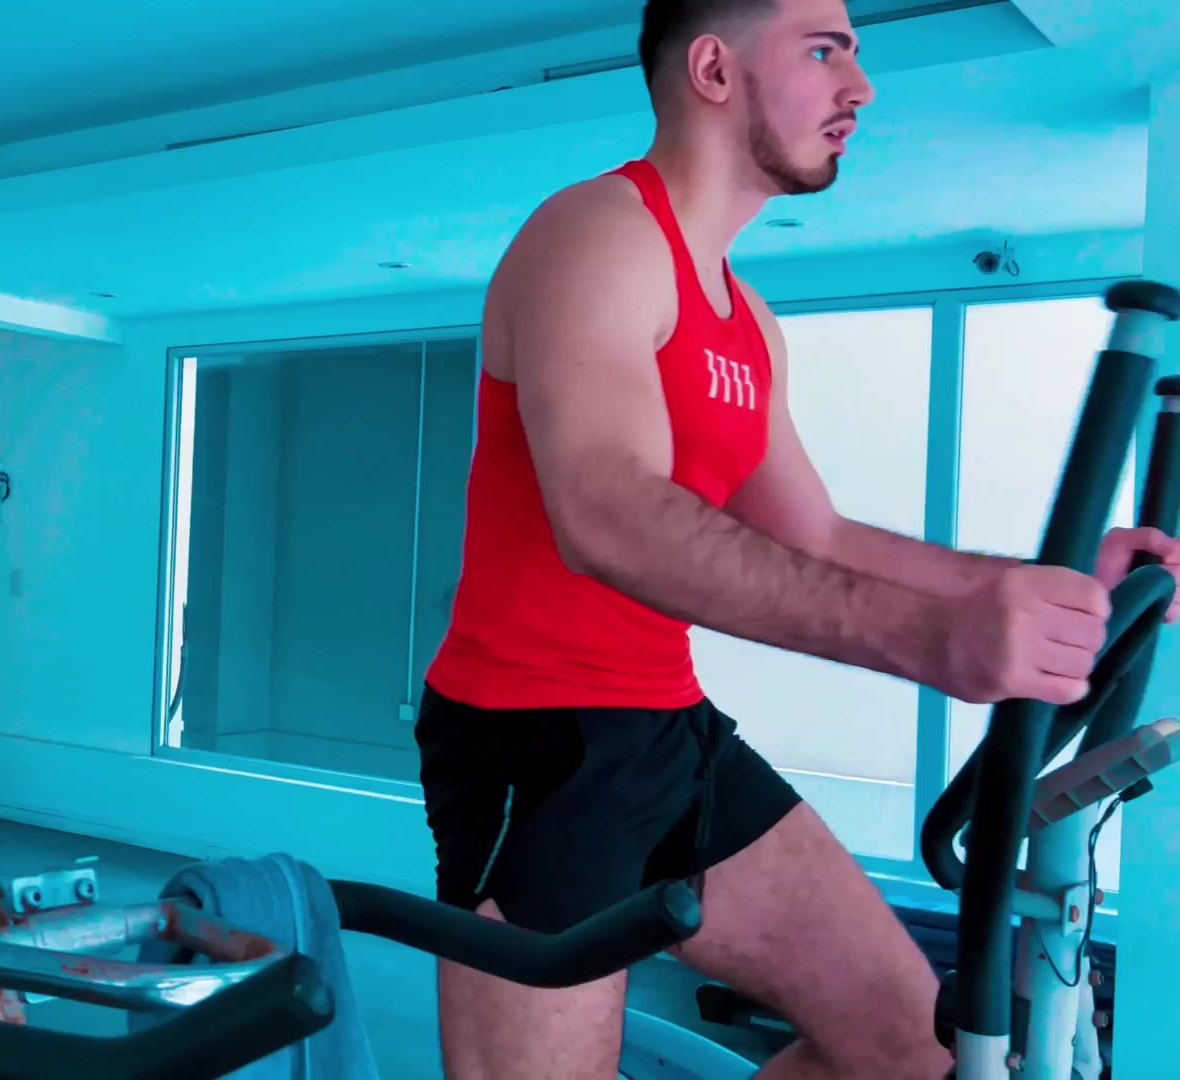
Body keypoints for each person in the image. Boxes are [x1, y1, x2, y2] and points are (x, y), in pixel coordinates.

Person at [415, 0, 1180, 1077]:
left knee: (914, 1052)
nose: (860, 87)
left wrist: (1040, 580)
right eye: (825, 50)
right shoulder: (596, 233)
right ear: (713, 70)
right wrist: (929, 640)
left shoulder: (750, 322)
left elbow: (815, 533)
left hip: (672, 730)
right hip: (536, 743)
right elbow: (605, 512)